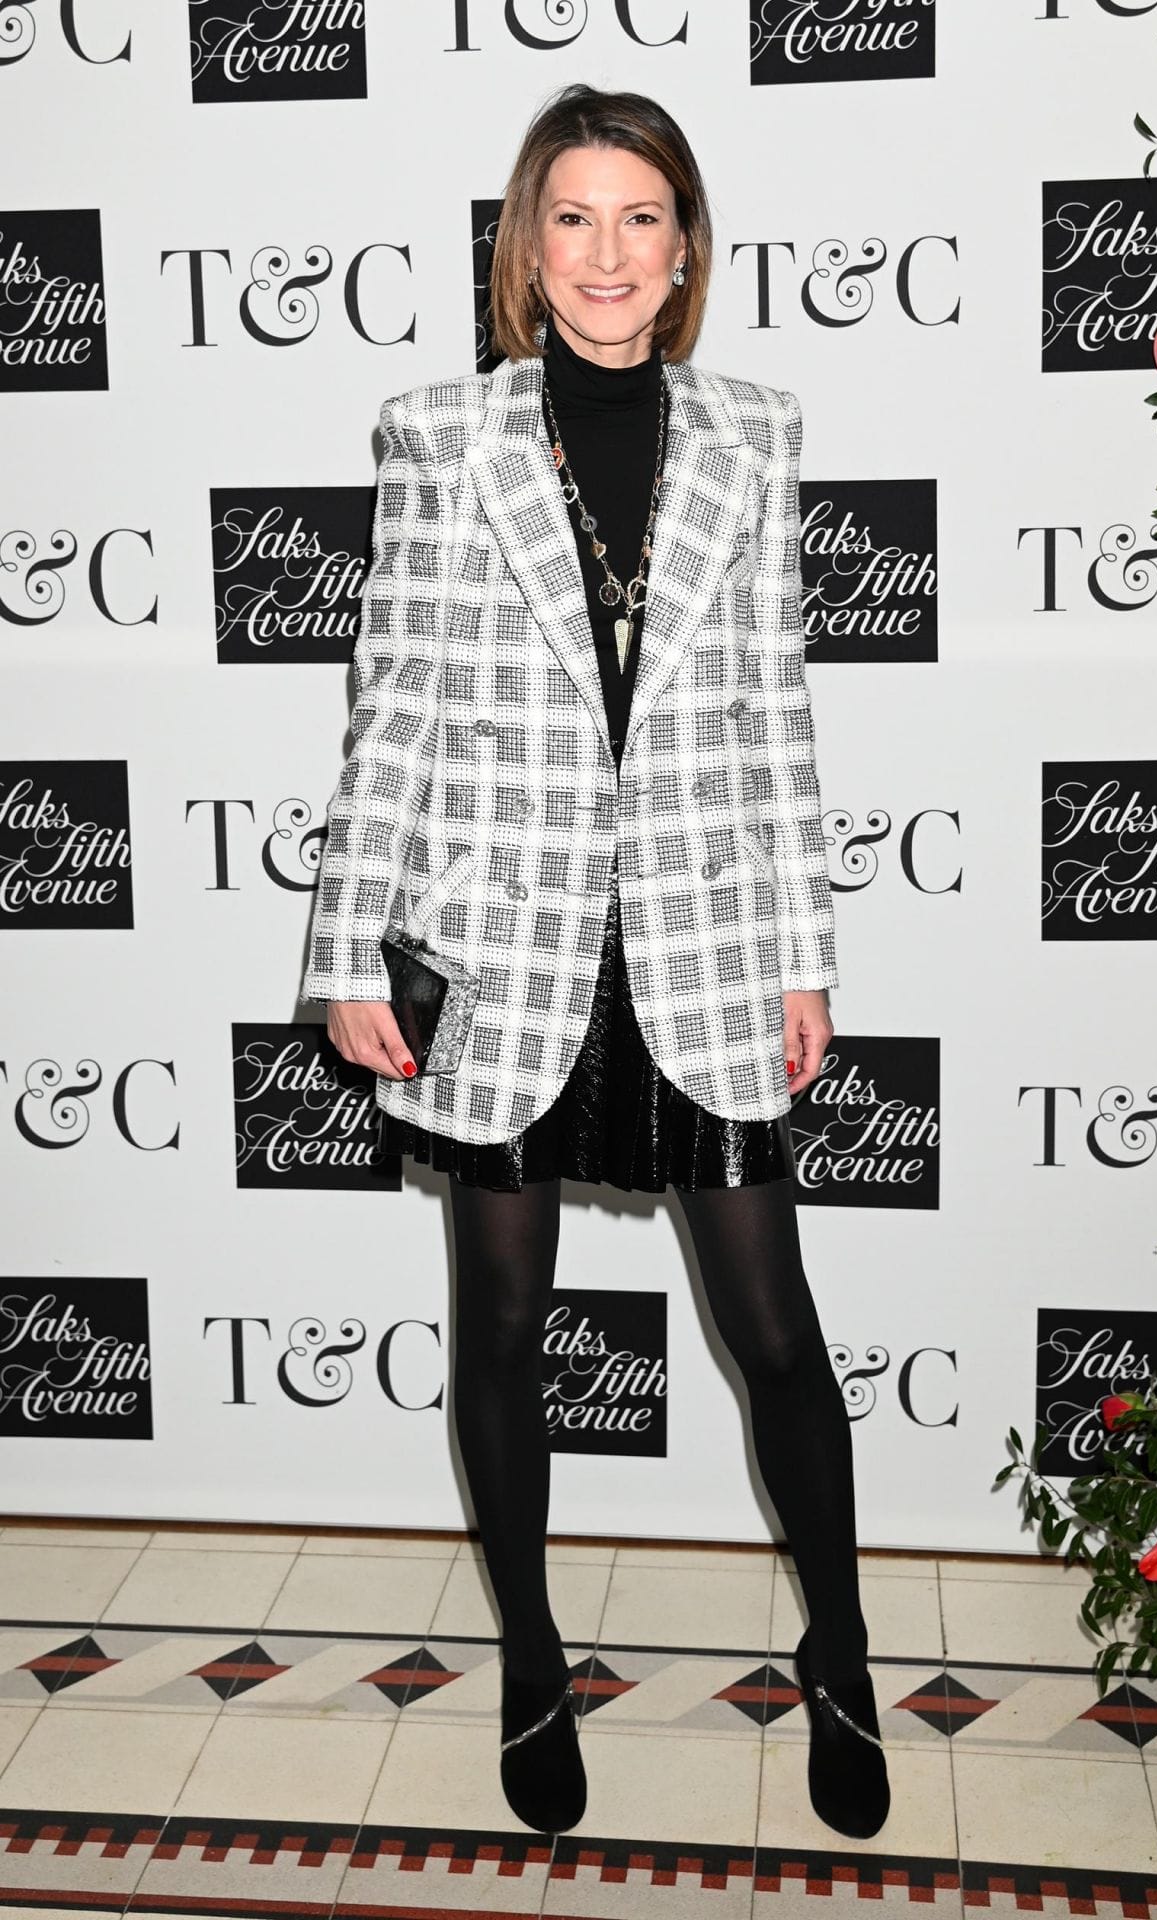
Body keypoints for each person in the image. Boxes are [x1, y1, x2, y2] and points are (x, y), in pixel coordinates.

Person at [302, 81, 890, 1844]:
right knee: (499, 1322)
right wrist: (349, 950)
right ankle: (532, 1657)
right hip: (501, 938)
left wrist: (803, 949)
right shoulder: (439, 434)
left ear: (686, 245)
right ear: (525, 244)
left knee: (777, 1333)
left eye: (641, 218)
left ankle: (844, 1649)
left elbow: (772, 705)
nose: (606, 253)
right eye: (573, 218)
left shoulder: (757, 430)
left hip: (703, 932)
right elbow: (392, 706)